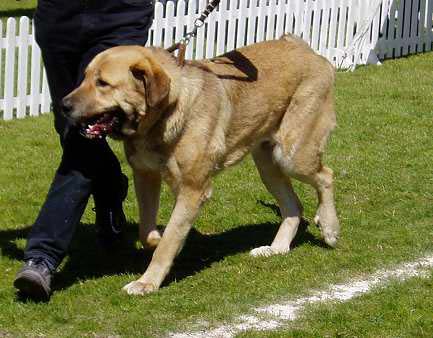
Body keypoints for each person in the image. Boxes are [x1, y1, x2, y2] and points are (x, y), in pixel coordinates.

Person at [13, 0, 155, 300]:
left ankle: (43, 256)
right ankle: (112, 187)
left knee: (81, 132)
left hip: (121, 14)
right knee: (68, 121)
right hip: (59, 15)